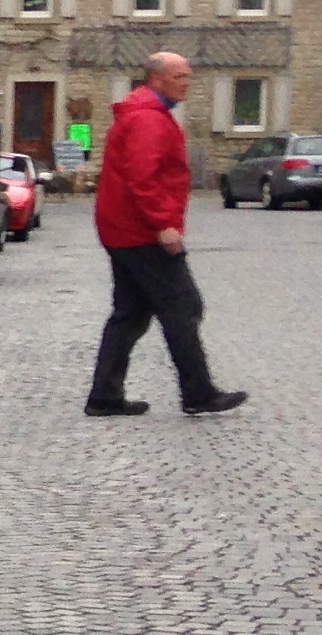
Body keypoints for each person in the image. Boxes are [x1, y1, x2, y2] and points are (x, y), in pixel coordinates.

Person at [86, 51, 245, 418]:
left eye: (188, 76)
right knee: (183, 306)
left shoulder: (144, 114)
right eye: (180, 76)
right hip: (141, 232)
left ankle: (104, 396)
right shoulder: (148, 120)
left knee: (130, 313)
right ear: (156, 79)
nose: (187, 83)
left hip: (123, 229)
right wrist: (164, 224)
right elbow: (144, 177)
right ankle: (198, 392)